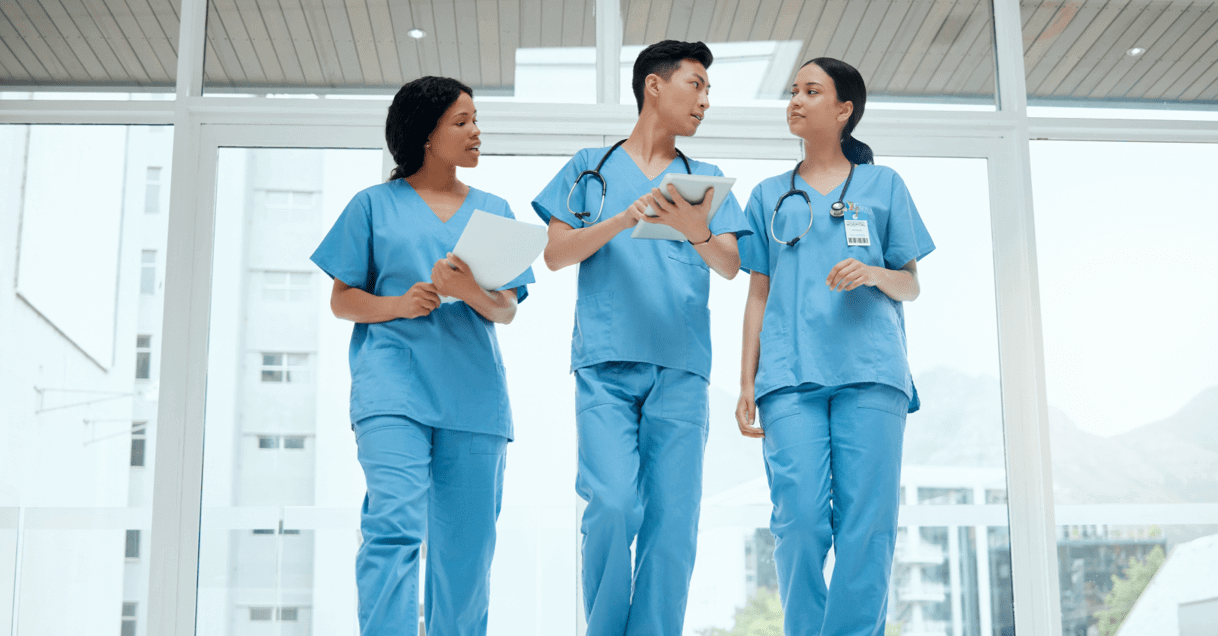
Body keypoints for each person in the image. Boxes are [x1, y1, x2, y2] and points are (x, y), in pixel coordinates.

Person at [532, 40, 749, 636]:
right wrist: (623, 219)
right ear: (655, 86)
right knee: (613, 509)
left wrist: (694, 229)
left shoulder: (702, 180)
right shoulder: (589, 168)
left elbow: (730, 265)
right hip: (605, 362)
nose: (705, 100)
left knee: (672, 525)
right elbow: (554, 254)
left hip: (680, 366)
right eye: (696, 85)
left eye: (708, 90)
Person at [309, 76, 533, 636]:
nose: (477, 131)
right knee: (394, 524)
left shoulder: (494, 210)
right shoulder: (372, 206)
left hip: (474, 396)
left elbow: (506, 310)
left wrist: (468, 292)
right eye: (462, 122)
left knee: (466, 550)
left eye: (476, 120)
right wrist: (400, 304)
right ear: (426, 135)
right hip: (393, 388)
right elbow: (342, 300)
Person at [735, 57, 935, 636]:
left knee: (865, 528)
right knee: (797, 522)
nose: (795, 99)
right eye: (792, 90)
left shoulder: (884, 185)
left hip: (871, 372)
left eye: (810, 90)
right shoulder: (769, 194)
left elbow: (911, 283)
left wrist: (873, 273)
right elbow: (758, 293)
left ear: (844, 109)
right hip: (788, 376)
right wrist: (746, 382)